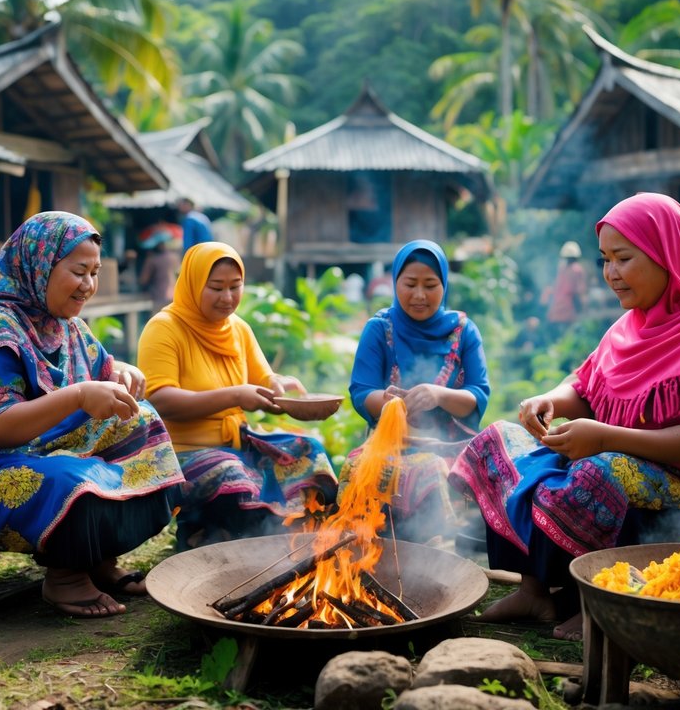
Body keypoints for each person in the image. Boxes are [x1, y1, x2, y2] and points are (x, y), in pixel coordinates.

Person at [449, 192, 680, 640]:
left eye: (623, 258)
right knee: (497, 441)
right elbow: (586, 386)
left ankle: (602, 600)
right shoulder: (630, 325)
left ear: (665, 255)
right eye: (605, 260)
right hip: (620, 460)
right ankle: (536, 590)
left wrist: (605, 437)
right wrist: (548, 399)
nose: (610, 273)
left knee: (597, 472)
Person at [0, 211, 185, 618]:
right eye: (79, 271)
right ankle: (65, 577)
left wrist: (122, 373)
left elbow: (101, 370)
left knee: (142, 426)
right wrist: (79, 395)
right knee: (70, 479)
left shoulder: (65, 325)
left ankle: (97, 560)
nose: (89, 286)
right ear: (39, 263)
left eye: (94, 272)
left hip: (38, 452)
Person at [137, 242, 339, 549]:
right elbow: (160, 400)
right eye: (216, 288)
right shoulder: (164, 328)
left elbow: (263, 383)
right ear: (193, 283)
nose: (228, 298)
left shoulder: (238, 329)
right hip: (180, 452)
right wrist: (234, 396)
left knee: (307, 450)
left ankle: (289, 541)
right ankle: (203, 535)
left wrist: (281, 387)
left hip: (237, 442)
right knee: (230, 473)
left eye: (236, 286)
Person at [346, 240, 490, 543]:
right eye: (410, 284)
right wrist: (386, 402)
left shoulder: (464, 331)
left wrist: (438, 395)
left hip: (452, 445)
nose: (420, 295)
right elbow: (361, 391)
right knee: (357, 466)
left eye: (430, 284)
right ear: (395, 281)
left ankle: (444, 545)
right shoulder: (380, 329)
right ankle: (370, 542)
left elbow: (478, 394)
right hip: (392, 442)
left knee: (435, 467)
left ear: (444, 284)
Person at [541, 240, 588, 339]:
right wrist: (583, 306)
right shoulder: (577, 269)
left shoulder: (561, 269)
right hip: (569, 308)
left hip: (557, 308)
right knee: (570, 336)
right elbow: (580, 291)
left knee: (560, 337)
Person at [137, 235, 181, 310]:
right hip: (175, 296)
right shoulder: (175, 258)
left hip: (160, 297)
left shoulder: (152, 260)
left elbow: (143, 280)